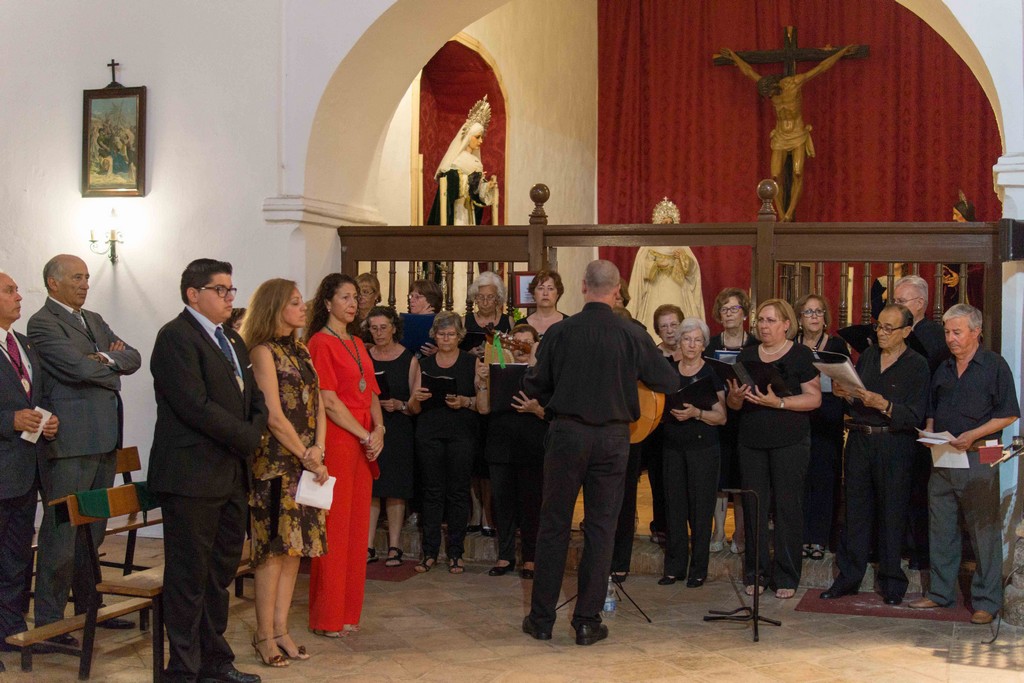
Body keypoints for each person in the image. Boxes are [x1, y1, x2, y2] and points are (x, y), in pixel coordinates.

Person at [521, 260, 677, 646]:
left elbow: (536, 384)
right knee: (601, 528)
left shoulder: (561, 331)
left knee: (554, 525)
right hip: (612, 439)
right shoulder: (631, 333)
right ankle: (588, 621)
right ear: (617, 288)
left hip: (567, 434)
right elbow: (667, 380)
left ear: (583, 286)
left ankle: (541, 619)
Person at [148, 258, 268, 683]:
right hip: (191, 477)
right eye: (221, 290)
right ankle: (182, 669)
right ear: (193, 294)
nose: (229, 298)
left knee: (219, 574)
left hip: (231, 474)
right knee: (188, 577)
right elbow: (194, 406)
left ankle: (216, 662)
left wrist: (253, 431)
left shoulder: (231, 340)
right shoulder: (175, 338)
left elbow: (254, 399)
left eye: (232, 290)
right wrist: (247, 437)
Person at [30, 254, 141, 641]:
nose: (85, 284)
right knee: (61, 537)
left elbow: (134, 357)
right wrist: (111, 369)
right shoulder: (43, 323)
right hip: (70, 443)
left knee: (93, 533)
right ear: (53, 283)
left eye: (87, 277)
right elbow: (75, 368)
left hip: (104, 438)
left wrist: (105, 358)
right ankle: (48, 620)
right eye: (76, 277)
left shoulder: (93, 319)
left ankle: (89, 607)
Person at [909, 304, 1019, 625]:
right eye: (947, 332)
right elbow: (933, 406)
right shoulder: (942, 368)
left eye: (957, 332)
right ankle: (940, 592)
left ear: (976, 332)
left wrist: (973, 435)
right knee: (941, 526)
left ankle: (987, 600)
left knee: (983, 529)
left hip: (981, 455)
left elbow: (1010, 412)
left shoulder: (994, 366)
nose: (951, 339)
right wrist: (930, 431)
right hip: (943, 456)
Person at [242, 279, 329, 667]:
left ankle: (281, 628)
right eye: (295, 302)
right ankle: (263, 634)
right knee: (272, 551)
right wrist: (305, 455)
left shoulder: (301, 348)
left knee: (296, 550)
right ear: (275, 307)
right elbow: (273, 415)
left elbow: (320, 404)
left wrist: (319, 449)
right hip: (276, 463)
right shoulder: (262, 351)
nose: (302, 308)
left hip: (307, 459)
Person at [820, 304, 929, 605]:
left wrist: (885, 405)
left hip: (894, 443)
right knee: (854, 511)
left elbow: (916, 415)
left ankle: (892, 579)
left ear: (906, 331)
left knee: (892, 512)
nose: (881, 333)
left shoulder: (917, 365)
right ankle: (849, 577)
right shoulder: (868, 356)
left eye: (888, 328)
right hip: (859, 440)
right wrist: (847, 394)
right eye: (879, 326)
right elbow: (857, 401)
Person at [726, 298, 821, 599]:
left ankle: (786, 576)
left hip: (790, 440)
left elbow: (814, 399)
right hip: (752, 439)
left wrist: (778, 402)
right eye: (761, 321)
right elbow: (733, 403)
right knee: (754, 505)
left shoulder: (801, 354)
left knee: (787, 507)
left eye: (770, 320)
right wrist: (736, 397)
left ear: (786, 324)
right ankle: (756, 572)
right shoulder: (748, 353)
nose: (764, 326)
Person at [306, 274, 383, 636]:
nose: (353, 303)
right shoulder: (321, 343)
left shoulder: (357, 342)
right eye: (345, 297)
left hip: (364, 441)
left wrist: (379, 431)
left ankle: (349, 611)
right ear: (327, 303)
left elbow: (372, 393)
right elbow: (329, 401)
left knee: (356, 528)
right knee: (334, 530)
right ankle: (327, 616)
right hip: (339, 440)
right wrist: (365, 433)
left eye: (356, 297)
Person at [719, 45, 857, 221]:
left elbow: (822, 67)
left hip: (798, 133)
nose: (771, 98)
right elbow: (747, 71)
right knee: (775, 176)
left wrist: (842, 52)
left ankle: (790, 212)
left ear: (775, 86)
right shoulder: (767, 88)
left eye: (771, 94)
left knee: (798, 173)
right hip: (780, 136)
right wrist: (733, 56)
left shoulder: (794, 83)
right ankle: (782, 215)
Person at [0, 272, 58, 672]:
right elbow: (13, 410)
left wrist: (47, 421)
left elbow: (37, 394)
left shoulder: (22, 343)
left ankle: (10, 630)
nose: (19, 296)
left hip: (26, 469)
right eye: (9, 290)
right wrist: (9, 420)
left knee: (17, 558)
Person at [407, 311, 481, 574]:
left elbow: (482, 405)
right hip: (429, 433)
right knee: (432, 492)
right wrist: (417, 397)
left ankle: (456, 553)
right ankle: (429, 552)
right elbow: (412, 409)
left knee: (459, 492)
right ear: (434, 335)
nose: (446, 338)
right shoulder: (423, 364)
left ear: (460, 336)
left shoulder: (471, 362)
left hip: (462, 433)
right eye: (441, 334)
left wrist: (464, 401)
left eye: (451, 334)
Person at [658, 318, 726, 587]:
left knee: (700, 508)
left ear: (704, 345)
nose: (692, 344)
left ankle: (699, 567)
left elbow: (721, 417)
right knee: (674, 506)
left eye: (698, 340)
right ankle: (674, 566)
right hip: (673, 446)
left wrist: (697, 413)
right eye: (687, 339)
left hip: (703, 447)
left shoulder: (711, 373)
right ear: (680, 341)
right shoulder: (668, 371)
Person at [477, 323, 546, 579]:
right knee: (502, 504)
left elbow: (551, 413)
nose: (521, 347)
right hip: (501, 444)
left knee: (531, 504)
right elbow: (483, 409)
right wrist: (483, 382)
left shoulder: (543, 375)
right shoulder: (499, 370)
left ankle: (531, 559)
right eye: (516, 342)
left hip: (532, 445)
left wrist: (535, 409)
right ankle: (505, 556)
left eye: (527, 342)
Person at [892, 274, 949, 571]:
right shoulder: (892, 331)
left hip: (926, 421)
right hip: (897, 419)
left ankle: (921, 551)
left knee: (920, 490)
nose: (897, 306)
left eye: (902, 301)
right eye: (895, 301)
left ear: (921, 304)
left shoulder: (935, 334)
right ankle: (895, 545)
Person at [793, 293, 849, 561]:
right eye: (808, 312)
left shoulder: (837, 344)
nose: (814, 317)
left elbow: (850, 382)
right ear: (799, 319)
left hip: (828, 417)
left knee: (825, 479)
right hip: (799, 418)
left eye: (818, 312)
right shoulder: (792, 345)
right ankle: (801, 535)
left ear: (825, 317)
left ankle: (820, 538)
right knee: (800, 478)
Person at [365, 306, 418, 567]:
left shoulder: (409, 358)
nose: (378, 333)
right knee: (372, 487)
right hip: (369, 427)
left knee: (395, 488)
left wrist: (400, 405)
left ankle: (395, 546)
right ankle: (368, 545)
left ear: (394, 327)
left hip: (398, 427)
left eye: (383, 327)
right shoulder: (364, 355)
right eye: (373, 328)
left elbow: (415, 401)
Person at [706, 287, 756, 555]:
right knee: (720, 479)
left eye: (734, 308)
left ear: (744, 313)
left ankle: (740, 533)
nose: (729, 314)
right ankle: (717, 531)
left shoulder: (755, 345)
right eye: (724, 309)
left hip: (748, 417)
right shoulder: (712, 345)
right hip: (720, 416)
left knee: (742, 478)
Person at [626, 198, 705, 337]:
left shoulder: (681, 245)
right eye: (664, 223)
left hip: (678, 291)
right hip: (655, 292)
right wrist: (655, 264)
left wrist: (683, 259)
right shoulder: (648, 245)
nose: (667, 226)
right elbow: (640, 273)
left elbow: (693, 271)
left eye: (670, 223)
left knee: (680, 328)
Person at [426, 96, 498, 226]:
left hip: (469, 213)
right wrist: (472, 181)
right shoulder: (457, 161)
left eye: (482, 137)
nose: (481, 141)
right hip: (456, 214)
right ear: (468, 138)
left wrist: (486, 187)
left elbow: (475, 193)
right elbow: (451, 185)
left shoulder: (475, 162)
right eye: (477, 137)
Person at [401, 279, 443, 357]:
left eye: (417, 297)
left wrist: (439, 352)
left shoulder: (442, 322)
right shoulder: (403, 320)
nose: (411, 300)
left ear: (431, 301)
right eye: (411, 296)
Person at [524, 270, 568, 337]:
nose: (545, 293)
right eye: (541, 288)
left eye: (550, 289)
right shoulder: (522, 325)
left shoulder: (569, 324)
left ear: (558, 294)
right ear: (533, 294)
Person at [354, 273, 382, 341]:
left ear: (376, 295)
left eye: (365, 292)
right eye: (358, 292)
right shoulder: (349, 317)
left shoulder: (381, 317)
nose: (360, 297)